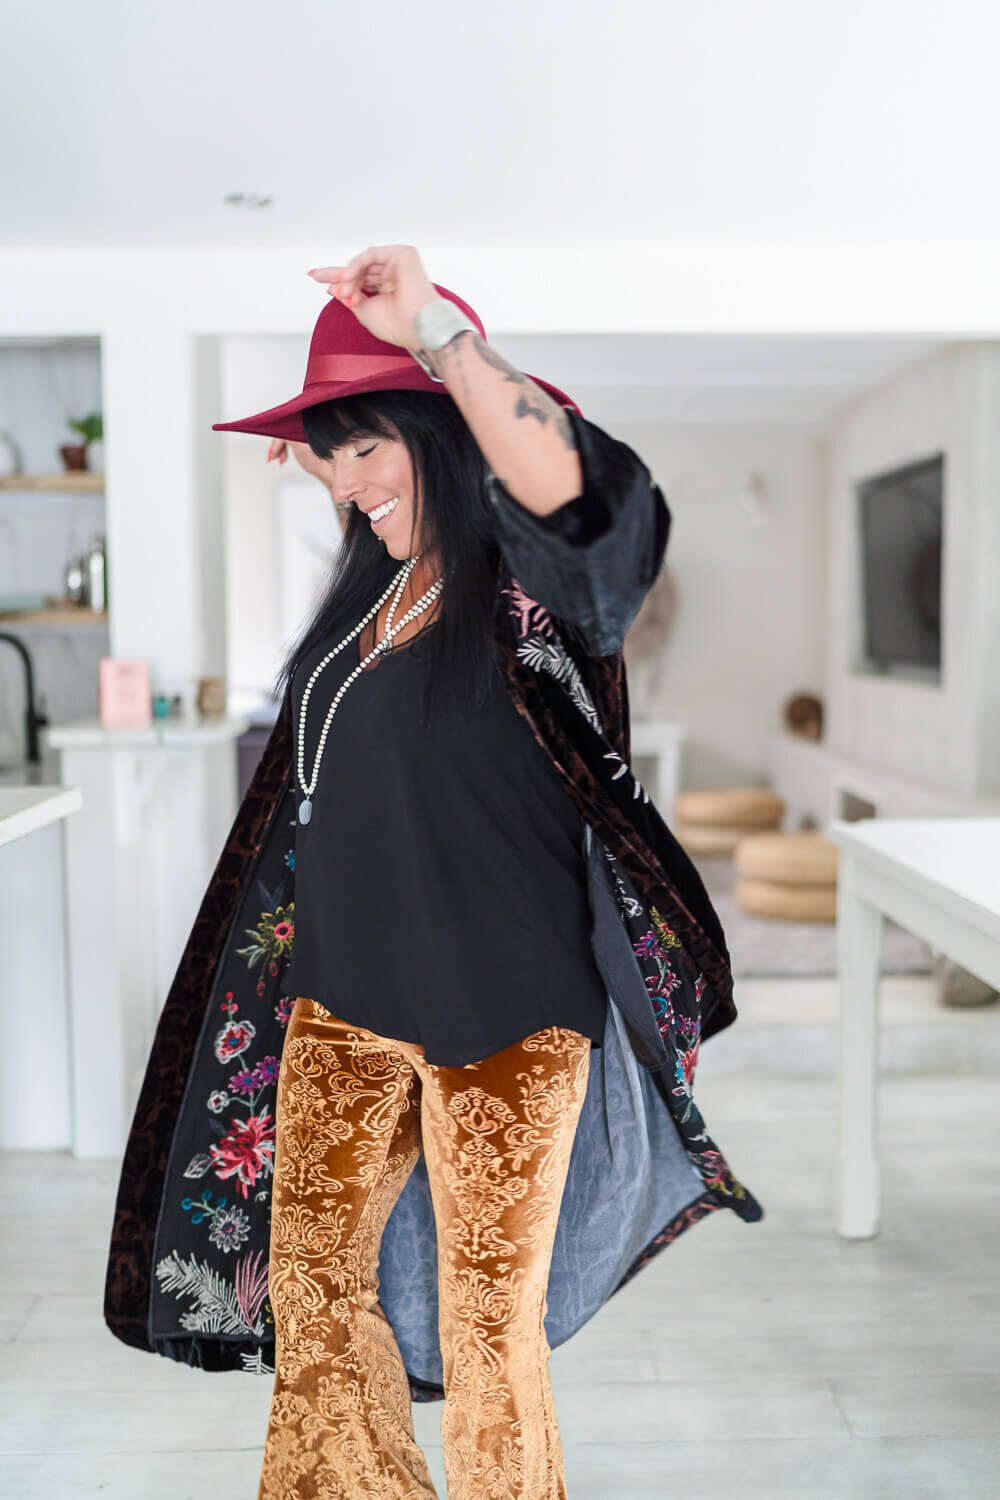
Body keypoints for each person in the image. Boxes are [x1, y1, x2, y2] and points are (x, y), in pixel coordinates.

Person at [102, 244, 763, 1500]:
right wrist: (330, 450)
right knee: (309, 1293)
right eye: (329, 455)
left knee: (486, 1330)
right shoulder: (366, 601)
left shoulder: (535, 596)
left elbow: (581, 497)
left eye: (373, 446)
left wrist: (433, 333)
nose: (352, 484)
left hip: (508, 1016)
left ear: (442, 428)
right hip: (338, 998)